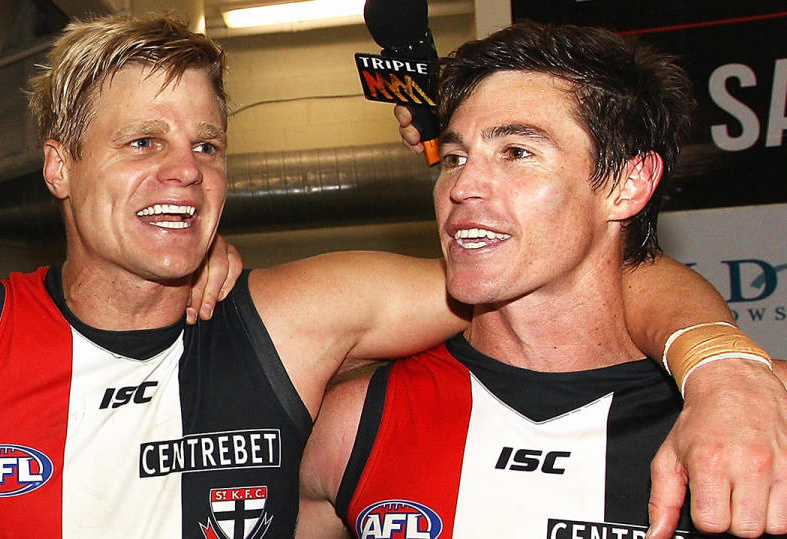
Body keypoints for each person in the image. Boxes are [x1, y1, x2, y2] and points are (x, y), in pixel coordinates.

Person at [0, 13, 782, 538]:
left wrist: (723, 370)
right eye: (143, 142)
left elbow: (590, 278)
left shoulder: (293, 316)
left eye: (208, 144)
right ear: (59, 165)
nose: (182, 172)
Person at [299, 21, 787, 539]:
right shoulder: (354, 423)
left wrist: (724, 374)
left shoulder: (755, 421)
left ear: (628, 183)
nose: (462, 186)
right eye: (455, 157)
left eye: (516, 153)